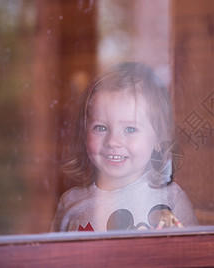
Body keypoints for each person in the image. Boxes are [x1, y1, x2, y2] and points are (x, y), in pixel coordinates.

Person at [52, 62, 198, 232]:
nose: (113, 141)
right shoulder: (71, 203)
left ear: (159, 138)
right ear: (84, 132)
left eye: (130, 129)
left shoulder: (170, 200)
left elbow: (192, 254)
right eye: (100, 127)